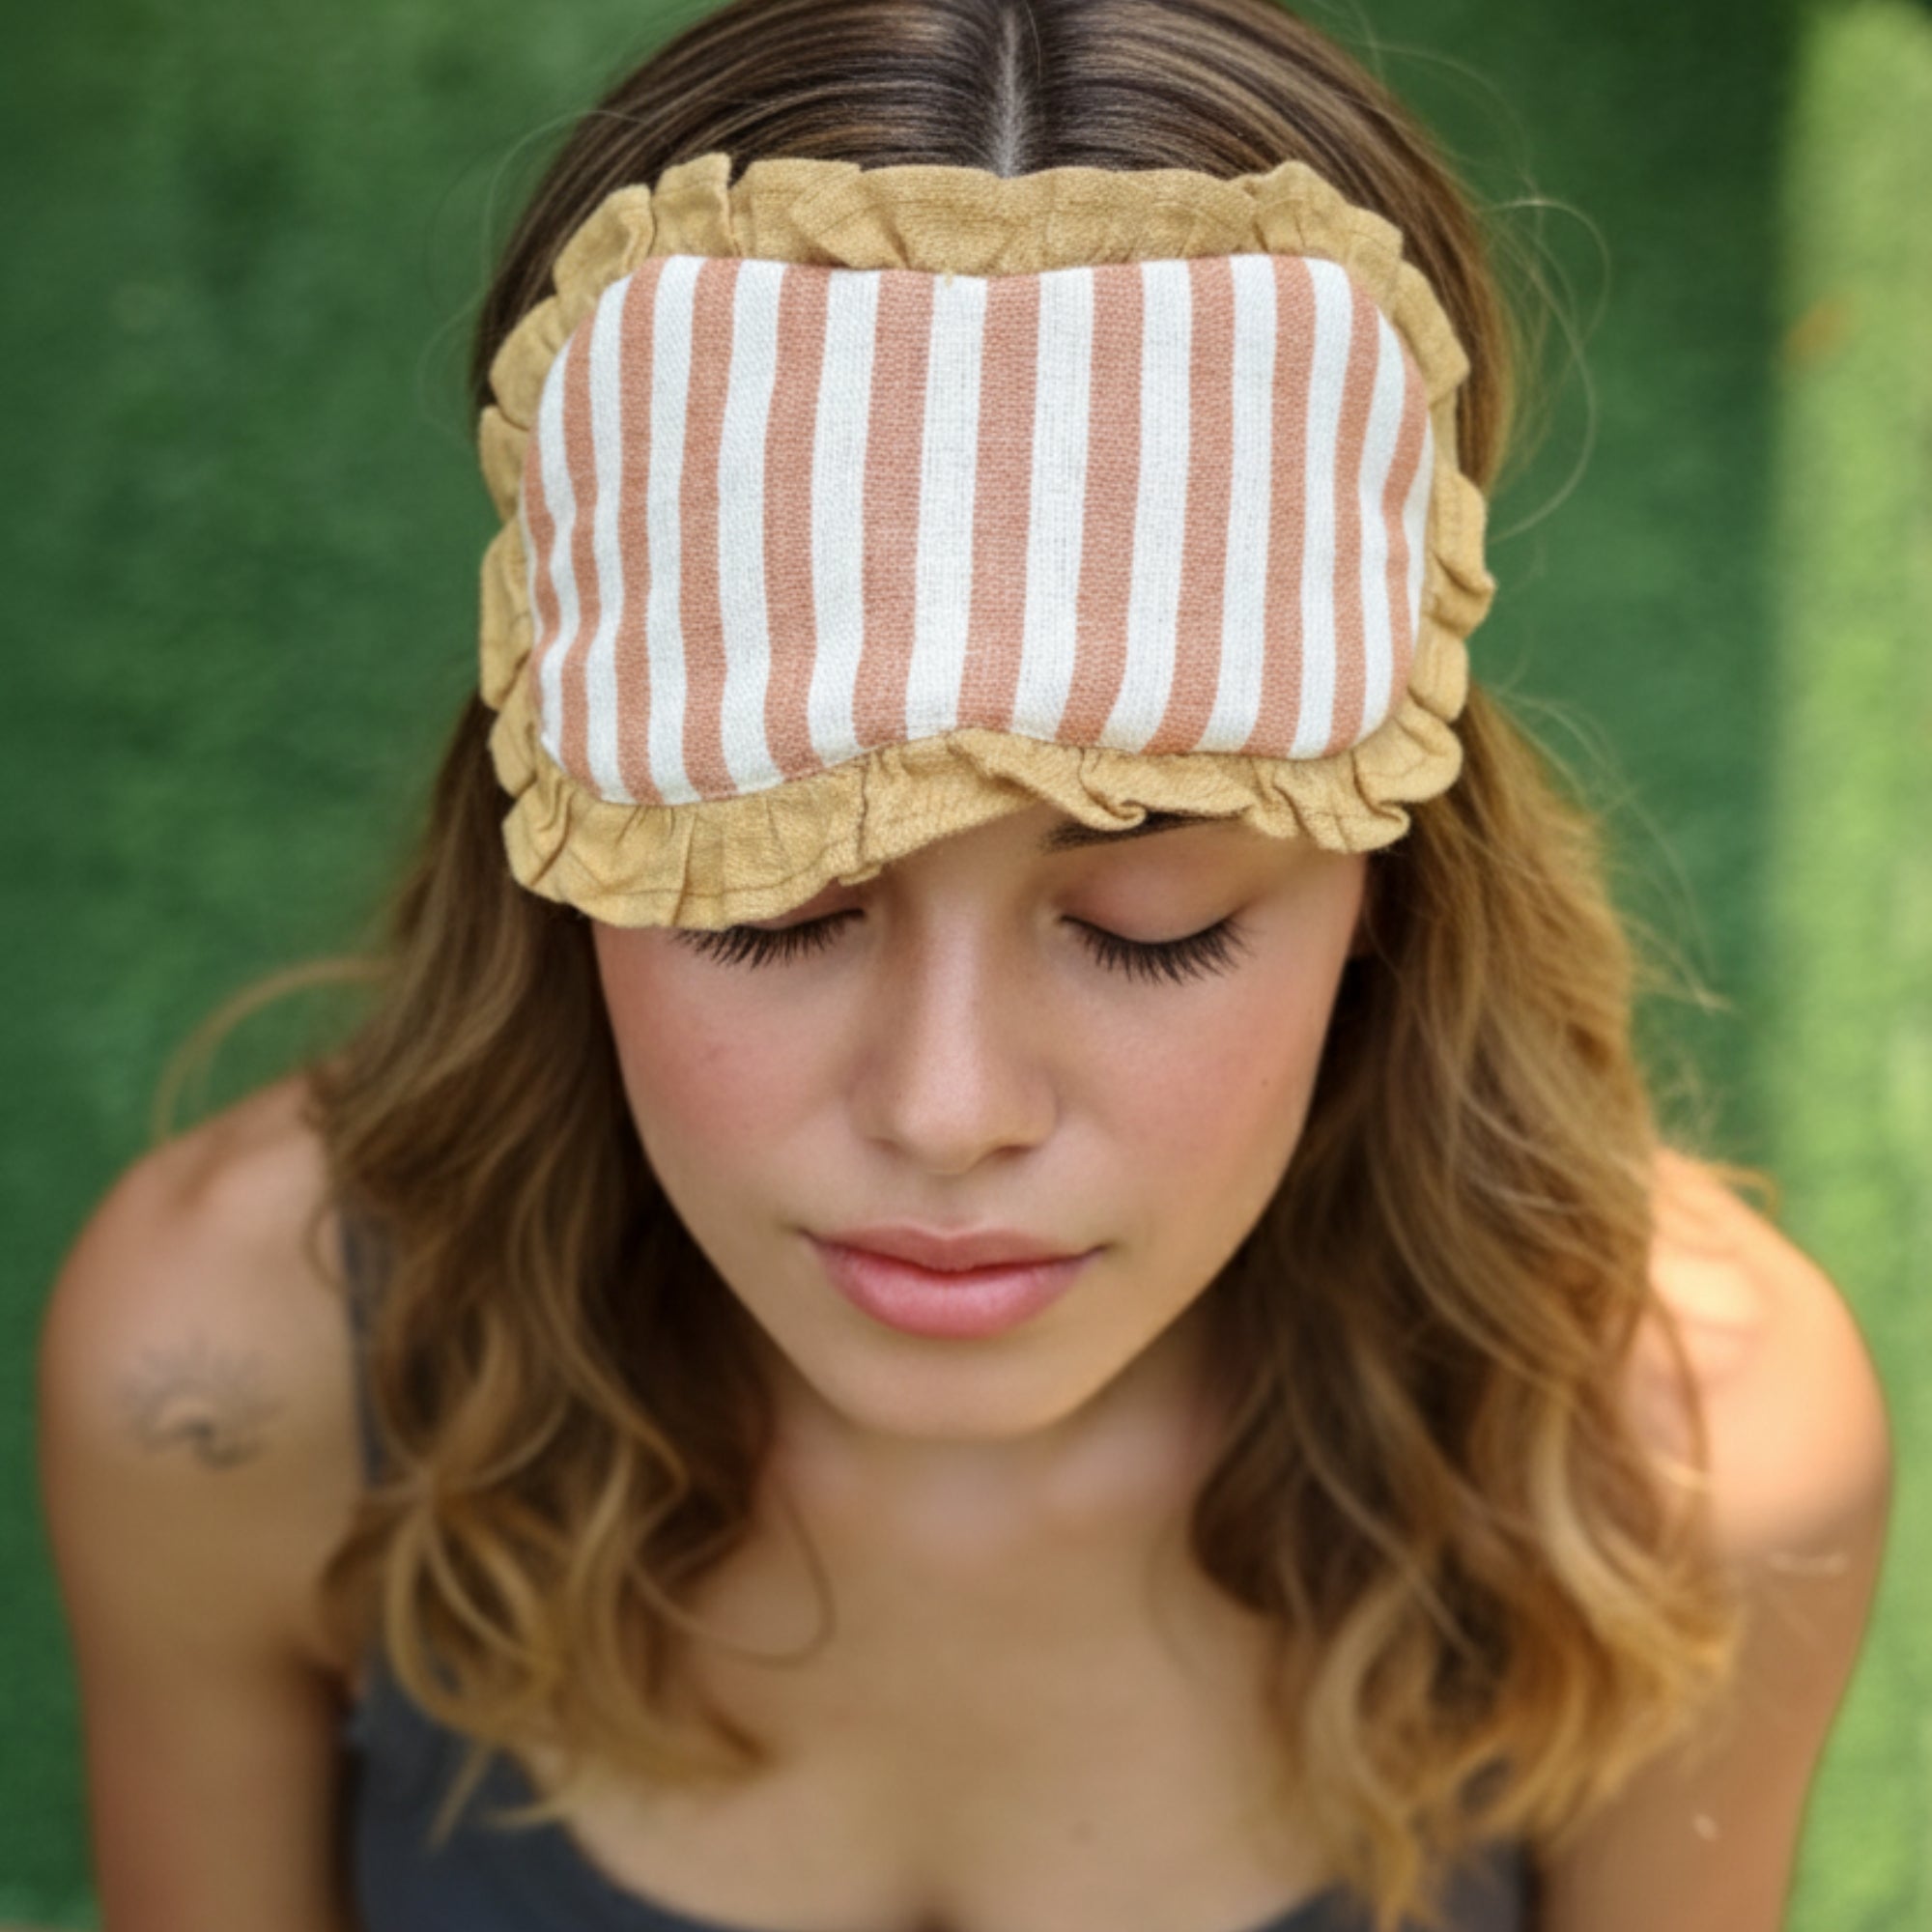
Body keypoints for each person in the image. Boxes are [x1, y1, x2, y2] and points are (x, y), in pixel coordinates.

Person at [34, 0, 1893, 1928]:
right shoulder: (228, 1380)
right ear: (549, 850)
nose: (945, 1108)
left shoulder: (1688, 1471)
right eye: (767, 906)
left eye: (1148, 930)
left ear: (1388, 896)